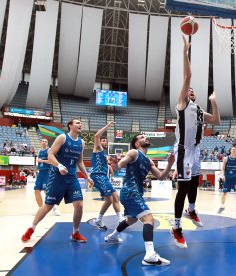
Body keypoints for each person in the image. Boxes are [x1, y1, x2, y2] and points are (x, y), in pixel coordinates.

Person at [171, 36, 221, 248]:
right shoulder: (182, 104)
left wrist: (213, 102)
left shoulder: (199, 110)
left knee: (194, 183)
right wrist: (184, 53)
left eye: (192, 90)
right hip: (183, 150)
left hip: (196, 150)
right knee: (182, 188)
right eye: (188, 89)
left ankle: (191, 209)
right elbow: (188, 75)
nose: (190, 90)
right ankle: (176, 226)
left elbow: (217, 120)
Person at [104, 134, 174, 266]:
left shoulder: (148, 161)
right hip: (131, 192)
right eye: (141, 137)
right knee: (149, 219)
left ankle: (112, 237)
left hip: (132, 194)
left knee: (132, 219)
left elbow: (160, 176)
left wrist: (170, 164)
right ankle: (149, 255)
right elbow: (121, 164)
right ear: (136, 144)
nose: (145, 137)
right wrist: (117, 164)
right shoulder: (134, 152)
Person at [21, 119, 93, 243]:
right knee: (48, 206)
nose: (80, 124)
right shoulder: (62, 138)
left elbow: (80, 162)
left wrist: (87, 176)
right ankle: (31, 229)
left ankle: (75, 233)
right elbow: (50, 155)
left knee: (79, 205)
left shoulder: (81, 142)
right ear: (70, 126)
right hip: (57, 176)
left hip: (72, 177)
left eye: (81, 123)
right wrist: (59, 166)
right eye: (77, 123)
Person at [90, 122, 123, 230]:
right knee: (109, 200)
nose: (105, 142)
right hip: (98, 176)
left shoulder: (105, 153)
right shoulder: (97, 148)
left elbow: (112, 167)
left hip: (104, 176)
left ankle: (120, 219)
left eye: (106, 141)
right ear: (99, 142)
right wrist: (108, 126)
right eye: (103, 140)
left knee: (115, 197)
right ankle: (98, 220)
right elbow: (96, 136)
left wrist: (112, 163)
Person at [34, 139, 60, 215]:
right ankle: (40, 209)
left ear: (47, 143)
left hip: (47, 172)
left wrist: (41, 160)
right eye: (43, 141)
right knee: (36, 191)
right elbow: (38, 162)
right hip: (40, 172)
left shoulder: (49, 150)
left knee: (47, 191)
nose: (44, 142)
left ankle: (55, 207)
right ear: (40, 142)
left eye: (46, 141)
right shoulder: (39, 151)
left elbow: (51, 161)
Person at [217, 146, 236, 217]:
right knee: (224, 193)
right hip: (227, 178)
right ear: (230, 150)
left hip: (235, 178)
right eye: (232, 149)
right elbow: (223, 169)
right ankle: (222, 207)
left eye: (235, 149)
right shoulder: (225, 158)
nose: (234, 150)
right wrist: (223, 175)